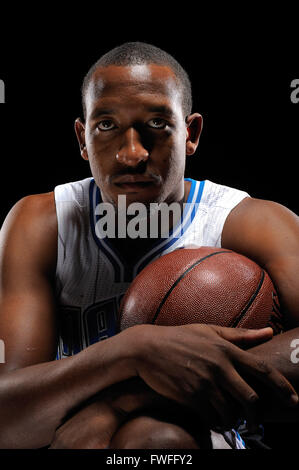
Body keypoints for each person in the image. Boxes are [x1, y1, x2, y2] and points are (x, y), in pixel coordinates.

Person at [0, 42, 298, 450]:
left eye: (157, 124)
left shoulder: (250, 223)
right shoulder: (42, 225)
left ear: (190, 134)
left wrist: (129, 397)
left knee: (154, 437)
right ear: (82, 138)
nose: (131, 154)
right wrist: (133, 351)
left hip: (203, 436)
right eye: (106, 125)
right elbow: (6, 416)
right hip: (78, 436)